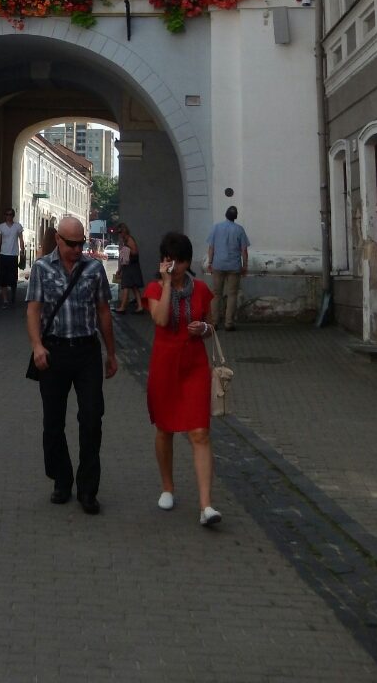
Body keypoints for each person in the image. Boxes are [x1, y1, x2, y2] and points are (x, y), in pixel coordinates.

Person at [26, 213, 117, 515]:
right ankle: (61, 480)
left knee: (92, 419)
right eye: (72, 244)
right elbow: (33, 310)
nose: (78, 250)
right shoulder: (41, 268)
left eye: (81, 244)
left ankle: (88, 488)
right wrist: (37, 345)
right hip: (53, 352)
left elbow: (104, 311)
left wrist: (111, 353)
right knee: (53, 422)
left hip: (86, 352)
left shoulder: (94, 269)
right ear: (58, 239)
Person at [143, 231, 222, 527]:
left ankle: (206, 506)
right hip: (165, 366)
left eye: (177, 262)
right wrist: (166, 285)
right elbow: (161, 319)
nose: (172, 266)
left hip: (194, 367)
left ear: (186, 262)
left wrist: (203, 328)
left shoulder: (201, 289)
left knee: (199, 432)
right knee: (165, 429)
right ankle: (167, 487)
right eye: (168, 260)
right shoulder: (154, 288)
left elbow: (212, 326)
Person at [205, 205, 250, 331]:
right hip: (234, 266)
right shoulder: (240, 229)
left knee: (216, 294)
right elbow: (244, 250)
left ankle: (214, 322)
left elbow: (211, 248)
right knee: (232, 294)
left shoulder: (216, 227)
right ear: (236, 217)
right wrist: (245, 265)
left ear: (225, 215)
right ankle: (229, 323)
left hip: (218, 265)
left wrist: (210, 262)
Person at [0, 206, 25, 308]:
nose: (8, 216)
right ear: (5, 216)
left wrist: (22, 251)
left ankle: (13, 292)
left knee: (13, 277)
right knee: (3, 278)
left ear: (13, 216)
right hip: (3, 255)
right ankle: (5, 300)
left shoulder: (18, 226)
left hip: (13, 255)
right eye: (7, 214)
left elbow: (21, 239)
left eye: (10, 214)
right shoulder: (1, 227)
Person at [116, 223, 145, 314]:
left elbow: (135, 252)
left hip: (131, 266)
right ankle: (140, 306)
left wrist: (126, 249)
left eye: (120, 232)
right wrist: (120, 269)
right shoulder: (125, 240)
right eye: (118, 232)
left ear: (124, 231)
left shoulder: (129, 239)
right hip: (129, 266)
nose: (119, 234)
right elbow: (123, 258)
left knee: (126, 286)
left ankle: (123, 307)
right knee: (134, 286)